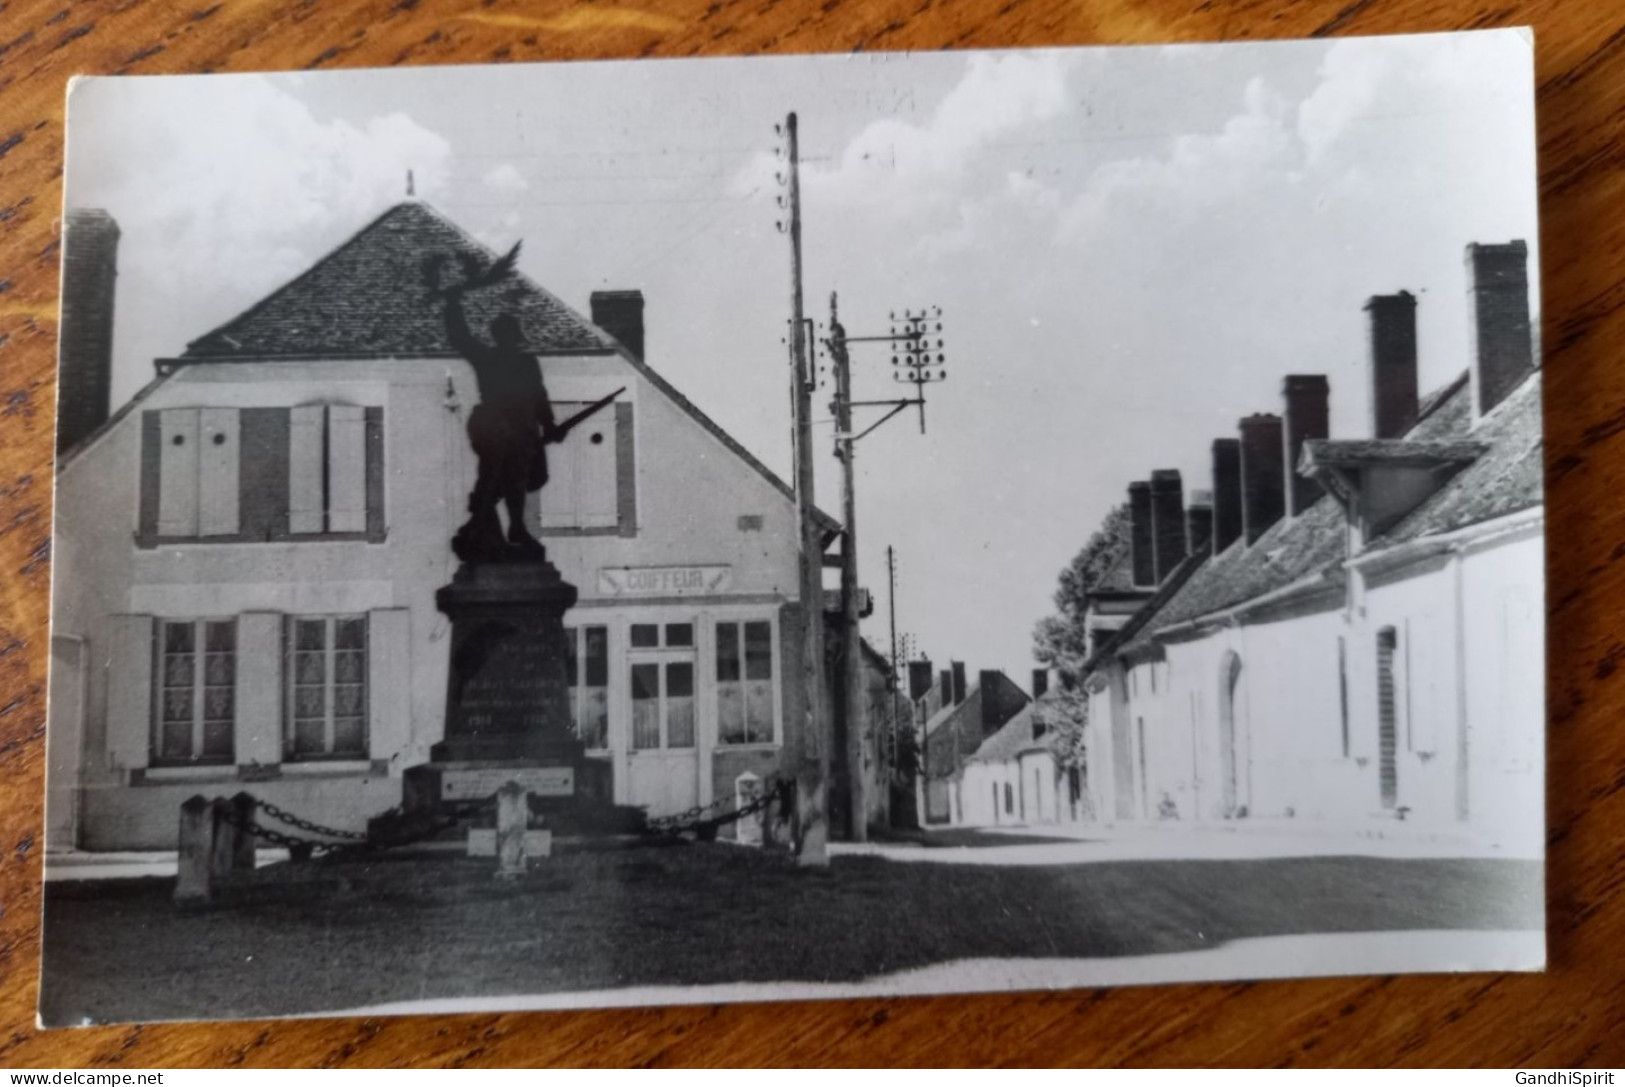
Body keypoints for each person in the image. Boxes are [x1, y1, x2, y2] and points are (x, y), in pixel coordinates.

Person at [426, 248, 557, 562]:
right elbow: (461, 337)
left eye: (513, 334)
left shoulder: (523, 361)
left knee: (515, 479)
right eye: (508, 333)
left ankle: (508, 527)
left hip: (519, 428)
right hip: (496, 426)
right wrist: (453, 304)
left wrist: (549, 425)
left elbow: (538, 395)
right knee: (497, 475)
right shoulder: (493, 358)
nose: (513, 338)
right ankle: (493, 525)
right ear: (502, 336)